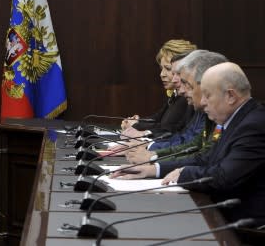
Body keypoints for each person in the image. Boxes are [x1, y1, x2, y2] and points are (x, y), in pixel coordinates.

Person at [113, 62, 265, 224]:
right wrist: (153, 170)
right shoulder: (236, 119)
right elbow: (205, 159)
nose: (203, 101)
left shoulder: (253, 125)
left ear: (231, 96)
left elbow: (224, 177)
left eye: (208, 95)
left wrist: (184, 174)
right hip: (221, 211)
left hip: (242, 223)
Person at [125, 50, 227, 164]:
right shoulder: (208, 110)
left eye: (187, 84)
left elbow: (203, 155)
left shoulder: (236, 121)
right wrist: (152, 151)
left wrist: (154, 159)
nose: (174, 80)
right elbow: (192, 143)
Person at [121, 39, 196, 137]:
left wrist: (136, 125)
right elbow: (158, 118)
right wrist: (137, 121)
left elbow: (167, 127)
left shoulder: (186, 97)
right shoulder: (175, 93)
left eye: (168, 69)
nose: (161, 74)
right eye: (161, 68)